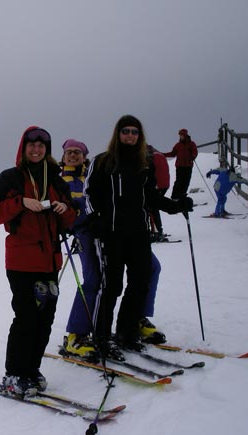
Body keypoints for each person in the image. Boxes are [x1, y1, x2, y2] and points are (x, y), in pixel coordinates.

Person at [84, 115, 193, 360]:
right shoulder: (102, 162)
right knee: (111, 286)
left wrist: (175, 206)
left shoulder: (144, 164)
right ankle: (101, 337)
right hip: (111, 234)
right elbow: (89, 194)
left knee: (140, 282)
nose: (130, 136)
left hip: (139, 234)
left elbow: (151, 197)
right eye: (126, 131)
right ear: (118, 134)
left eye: (134, 132)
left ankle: (126, 332)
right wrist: (95, 219)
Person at [0, 126, 76, 397]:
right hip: (22, 262)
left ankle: (32, 370)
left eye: (41, 145)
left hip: (50, 261)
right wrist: (20, 201)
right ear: (23, 147)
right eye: (32, 145)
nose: (36, 149)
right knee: (26, 318)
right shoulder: (10, 178)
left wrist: (65, 210)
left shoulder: (56, 180)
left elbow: (70, 220)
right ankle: (15, 373)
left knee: (45, 319)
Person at [57, 139, 99, 361]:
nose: (73, 155)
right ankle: (76, 334)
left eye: (77, 152)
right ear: (63, 156)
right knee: (92, 280)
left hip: (102, 232)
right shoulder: (58, 179)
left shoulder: (91, 175)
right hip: (82, 233)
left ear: (84, 156)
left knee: (105, 281)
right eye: (69, 152)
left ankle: (98, 327)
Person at [164, 128, 198, 199]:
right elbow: (173, 154)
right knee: (178, 182)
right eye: (180, 135)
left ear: (185, 135)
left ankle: (182, 197)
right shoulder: (178, 145)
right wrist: (163, 155)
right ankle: (174, 197)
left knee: (186, 182)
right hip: (180, 166)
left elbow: (195, 152)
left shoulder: (192, 144)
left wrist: (193, 156)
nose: (180, 136)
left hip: (188, 166)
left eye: (181, 135)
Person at [147, 145, 170, 242]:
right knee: (154, 208)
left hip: (156, 186)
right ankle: (157, 230)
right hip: (164, 185)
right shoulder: (160, 155)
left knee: (152, 209)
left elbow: (151, 173)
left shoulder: (150, 158)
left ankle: (156, 232)